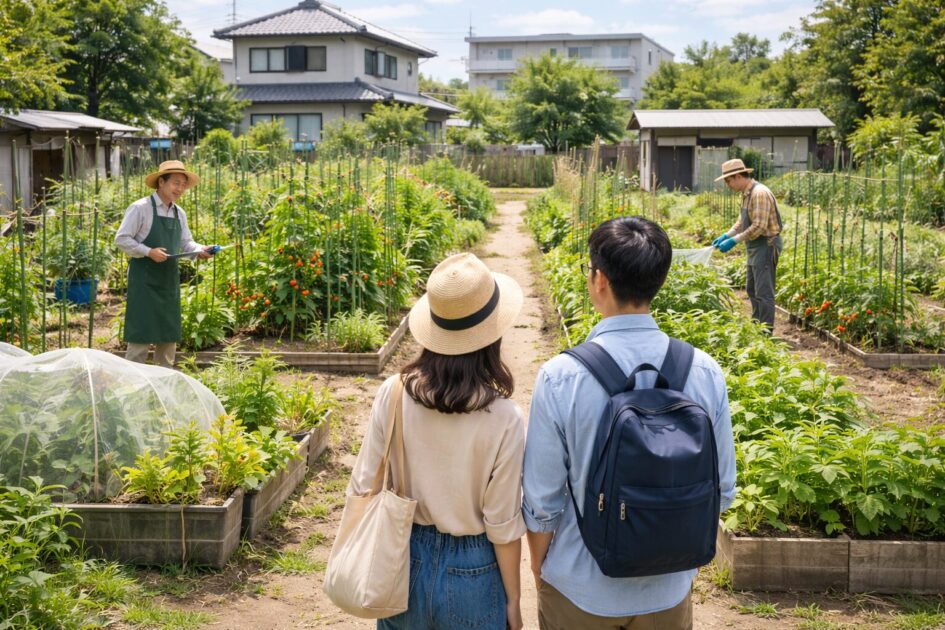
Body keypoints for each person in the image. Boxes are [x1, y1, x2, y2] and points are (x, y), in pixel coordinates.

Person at [523, 217, 736, 630]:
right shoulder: (703, 370)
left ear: (599, 279)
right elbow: (722, 490)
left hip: (580, 591)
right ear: (660, 279)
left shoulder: (562, 376)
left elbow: (542, 503)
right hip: (668, 591)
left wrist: (540, 569)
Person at [347, 252, 526, 630]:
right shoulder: (505, 418)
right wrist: (513, 599)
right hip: (474, 571)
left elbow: (363, 484)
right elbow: (502, 523)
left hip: (403, 557)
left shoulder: (394, 393)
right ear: (492, 334)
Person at [115, 160, 215, 368]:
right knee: (140, 336)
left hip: (168, 281)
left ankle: (164, 382)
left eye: (183, 185)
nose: (180, 189)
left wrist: (200, 250)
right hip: (144, 281)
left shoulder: (179, 213)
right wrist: (148, 252)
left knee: (168, 337)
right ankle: (132, 383)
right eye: (176, 183)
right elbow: (122, 239)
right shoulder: (140, 208)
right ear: (161, 182)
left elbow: (186, 243)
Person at [712, 158, 783, 333]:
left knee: (764, 292)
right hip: (755, 247)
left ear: (737, 176)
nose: (728, 185)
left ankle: (765, 332)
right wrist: (727, 235)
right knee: (752, 289)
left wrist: (734, 241)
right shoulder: (746, 194)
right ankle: (757, 325)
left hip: (766, 245)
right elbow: (742, 221)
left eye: (728, 181)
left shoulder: (759, 193)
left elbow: (759, 226)